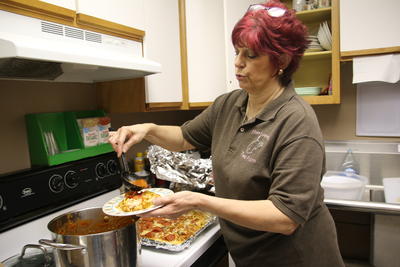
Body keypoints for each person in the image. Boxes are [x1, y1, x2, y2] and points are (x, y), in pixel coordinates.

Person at [109, 1, 345, 266]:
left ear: (282, 60)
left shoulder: (296, 123)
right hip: (251, 256)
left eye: (251, 55)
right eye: (237, 52)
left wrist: (201, 201)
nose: (237, 63)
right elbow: (186, 137)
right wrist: (147, 130)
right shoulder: (230, 104)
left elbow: (285, 217)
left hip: (297, 258)